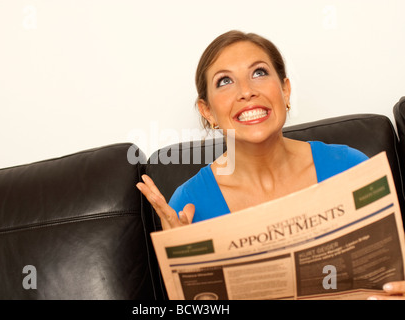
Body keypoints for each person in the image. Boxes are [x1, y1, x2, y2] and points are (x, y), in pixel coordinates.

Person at [136, 30, 405, 300]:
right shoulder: (188, 204)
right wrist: (186, 275)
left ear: (285, 91)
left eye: (259, 73)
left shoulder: (350, 165)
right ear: (207, 111)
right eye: (225, 81)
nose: (246, 92)